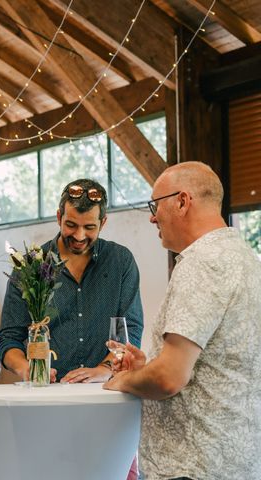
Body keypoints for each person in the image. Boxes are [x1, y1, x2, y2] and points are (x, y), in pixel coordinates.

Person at [104, 161, 261, 479]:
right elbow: (217, 363)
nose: (151, 217)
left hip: (192, 465)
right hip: (239, 460)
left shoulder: (200, 263)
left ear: (182, 201)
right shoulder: (246, 259)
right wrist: (146, 365)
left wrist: (123, 381)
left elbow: (168, 379)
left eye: (154, 205)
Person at [0, 178, 144, 383]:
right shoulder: (30, 266)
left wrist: (105, 369)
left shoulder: (120, 261)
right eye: (71, 225)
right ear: (59, 217)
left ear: (103, 222)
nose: (79, 235)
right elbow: (8, 338)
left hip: (103, 390)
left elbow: (131, 330)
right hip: (48, 391)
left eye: (90, 227)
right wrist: (27, 369)